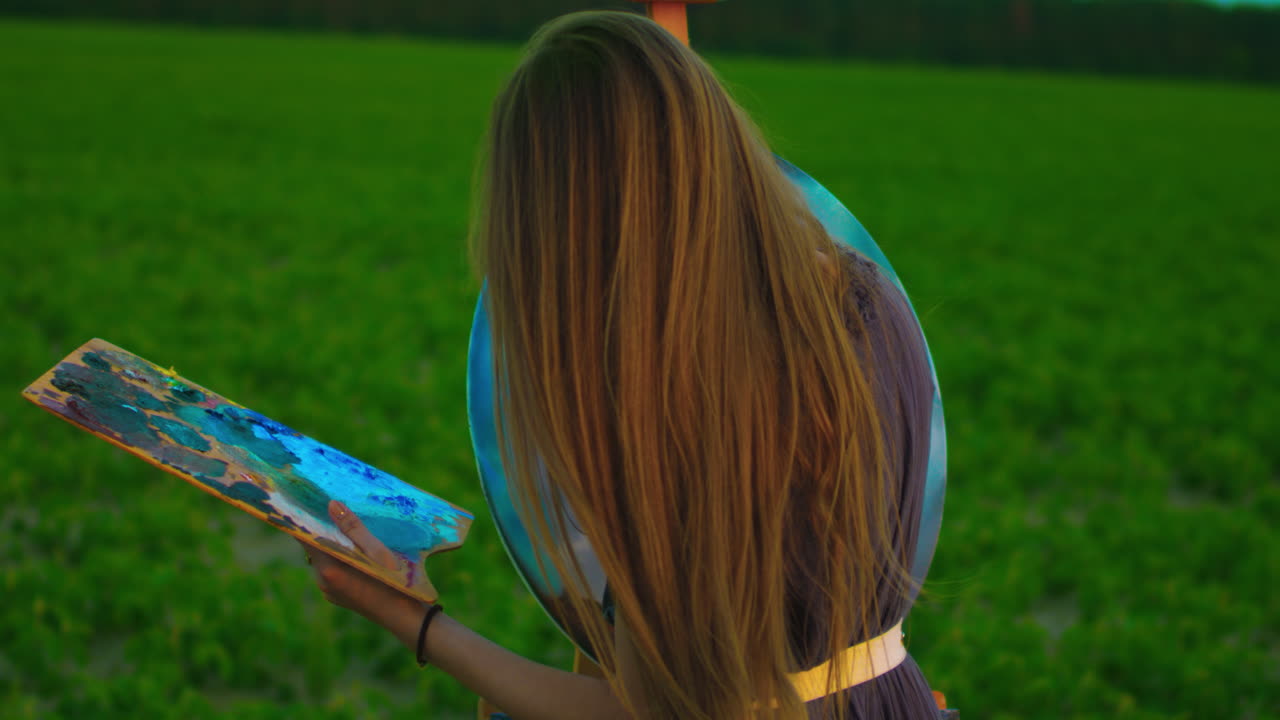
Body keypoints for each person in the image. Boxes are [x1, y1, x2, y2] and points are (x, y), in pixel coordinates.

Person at [301, 9, 940, 720]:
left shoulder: (674, 407)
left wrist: (415, 623)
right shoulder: (865, 297)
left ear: (565, 231)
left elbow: (641, 711)